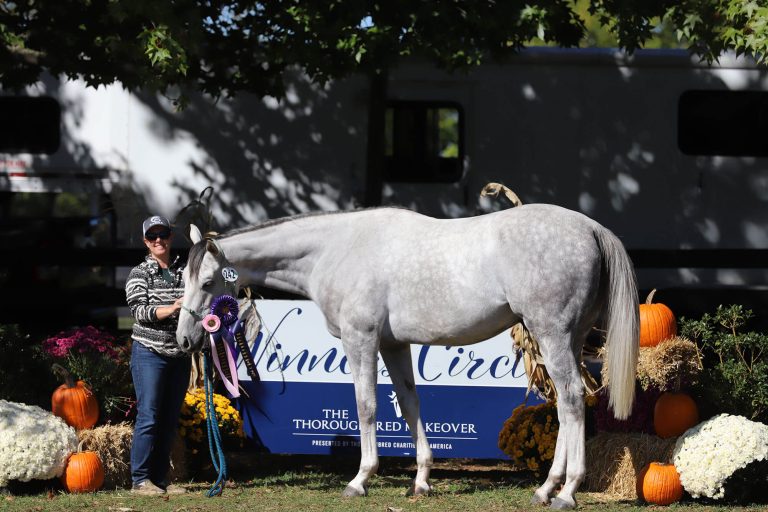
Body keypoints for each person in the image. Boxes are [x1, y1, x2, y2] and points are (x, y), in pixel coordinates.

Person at [125, 215, 189, 495]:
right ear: (145, 242)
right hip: (149, 352)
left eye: (163, 234)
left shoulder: (185, 270)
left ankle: (160, 479)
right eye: (153, 237)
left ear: (171, 237)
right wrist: (173, 308)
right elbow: (138, 312)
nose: (159, 240)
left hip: (179, 353)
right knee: (149, 416)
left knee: (169, 417)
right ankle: (140, 480)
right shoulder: (140, 273)